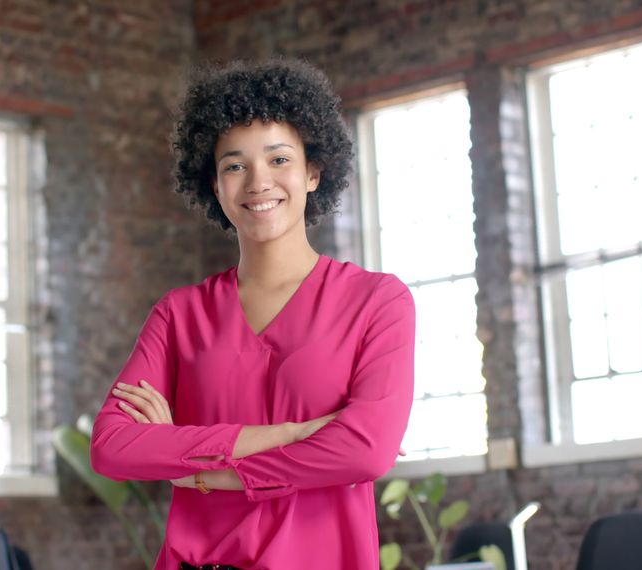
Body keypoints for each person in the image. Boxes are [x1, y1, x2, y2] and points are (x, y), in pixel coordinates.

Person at [90, 58, 416, 570]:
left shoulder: (378, 302)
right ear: (216, 188)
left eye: (280, 159)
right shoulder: (179, 315)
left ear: (313, 172)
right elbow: (114, 446)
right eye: (235, 165)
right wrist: (296, 432)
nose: (258, 182)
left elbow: (366, 451)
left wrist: (199, 470)